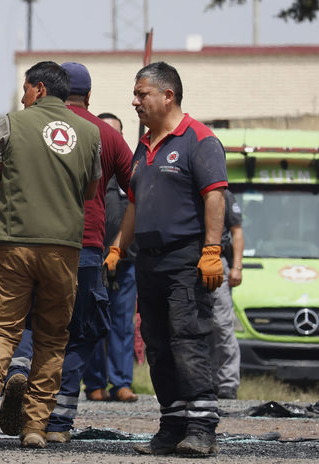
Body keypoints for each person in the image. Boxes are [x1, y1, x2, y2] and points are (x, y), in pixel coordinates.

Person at [0, 61, 101, 449]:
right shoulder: (90, 132)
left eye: (25, 88)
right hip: (63, 250)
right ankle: (34, 428)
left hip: (14, 243)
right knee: (52, 338)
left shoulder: (11, 124)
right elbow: (89, 192)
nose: (22, 96)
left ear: (39, 90)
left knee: (3, 328)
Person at [0, 63, 133, 442]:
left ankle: (19, 367)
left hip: (25, 239)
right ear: (88, 96)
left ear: (47, 90)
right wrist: (119, 246)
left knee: (25, 321)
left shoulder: (25, 123)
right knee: (77, 333)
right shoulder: (104, 134)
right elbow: (137, 190)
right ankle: (56, 424)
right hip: (84, 248)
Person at [108, 61, 226, 456]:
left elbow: (214, 196)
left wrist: (212, 250)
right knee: (157, 344)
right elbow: (134, 206)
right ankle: (172, 426)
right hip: (148, 262)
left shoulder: (199, 139)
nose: (135, 101)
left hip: (186, 258)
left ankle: (202, 428)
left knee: (186, 339)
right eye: (136, 94)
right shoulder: (143, 147)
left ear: (167, 95)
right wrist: (116, 248)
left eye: (142, 94)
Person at [82, 112, 139, 404]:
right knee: (91, 321)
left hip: (125, 262)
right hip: (91, 259)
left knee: (122, 323)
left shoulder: (128, 177)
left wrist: (119, 250)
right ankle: (94, 383)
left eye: (115, 134)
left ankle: (121, 383)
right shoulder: (86, 172)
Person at [210, 189, 243, 400]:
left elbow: (236, 231)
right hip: (187, 259)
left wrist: (237, 267)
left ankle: (228, 383)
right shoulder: (184, 187)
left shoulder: (224, 194)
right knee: (192, 325)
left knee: (222, 324)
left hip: (216, 260)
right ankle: (203, 380)